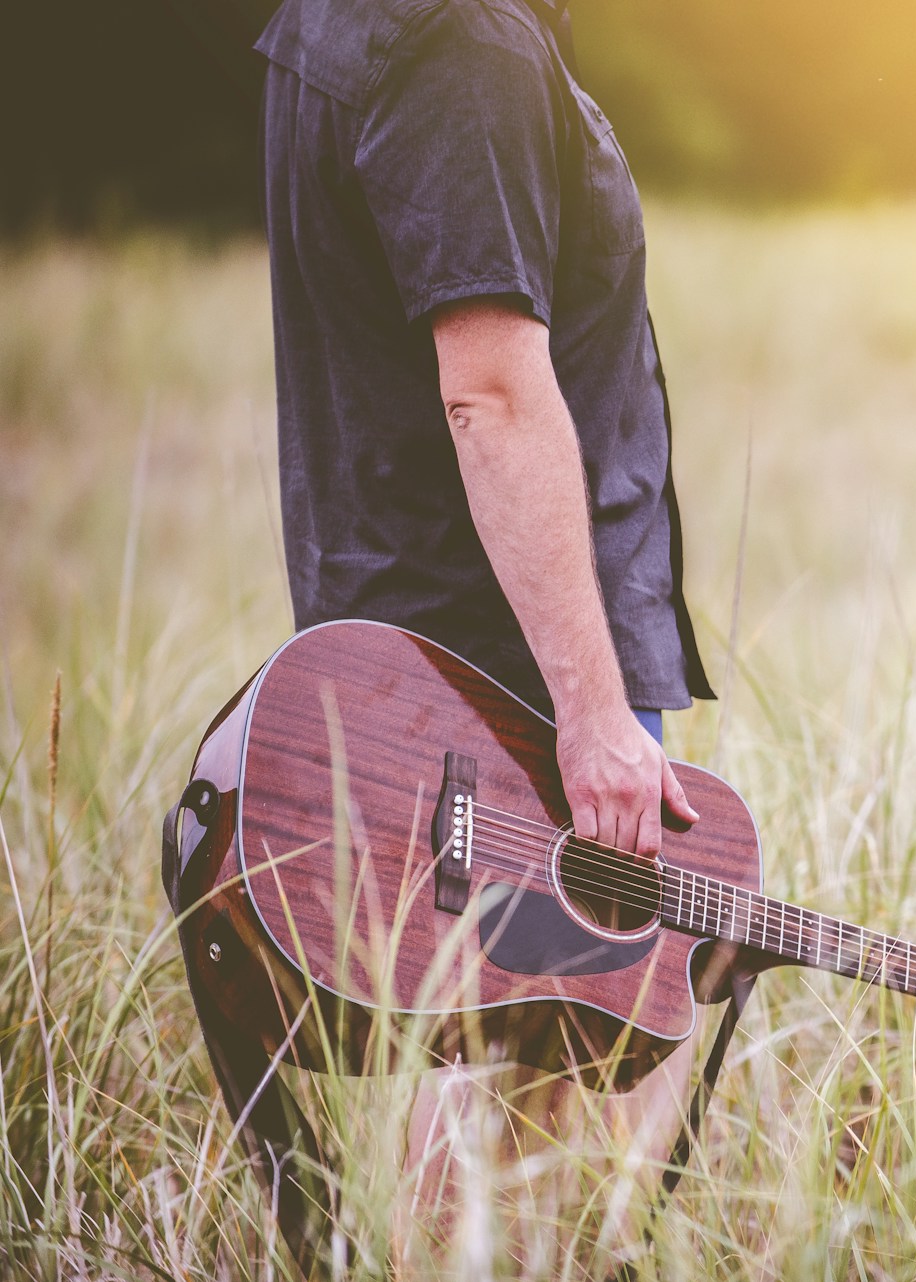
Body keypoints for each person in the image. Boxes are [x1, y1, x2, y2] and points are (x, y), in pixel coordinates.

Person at [252, 0, 714, 1269]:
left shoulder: (347, 14)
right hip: (507, 679)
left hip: (414, 654)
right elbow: (493, 396)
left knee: (469, 1086)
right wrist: (594, 713)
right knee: (534, 1120)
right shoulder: (462, 48)